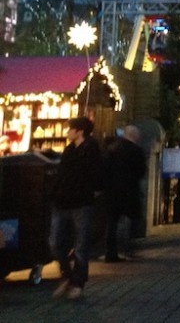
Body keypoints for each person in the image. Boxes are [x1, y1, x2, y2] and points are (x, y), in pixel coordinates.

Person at [50, 116, 101, 300]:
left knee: (81, 245)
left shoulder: (91, 150)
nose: (67, 131)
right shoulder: (69, 149)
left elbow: (94, 176)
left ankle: (77, 283)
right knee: (55, 242)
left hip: (80, 202)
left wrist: (90, 191)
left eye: (70, 128)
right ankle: (68, 276)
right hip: (62, 201)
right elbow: (62, 174)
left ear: (79, 131)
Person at [103, 124, 146, 262]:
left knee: (112, 223)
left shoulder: (112, 149)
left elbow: (105, 169)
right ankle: (128, 249)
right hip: (129, 191)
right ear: (134, 136)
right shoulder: (136, 150)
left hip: (112, 191)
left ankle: (111, 252)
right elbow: (141, 171)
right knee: (131, 220)